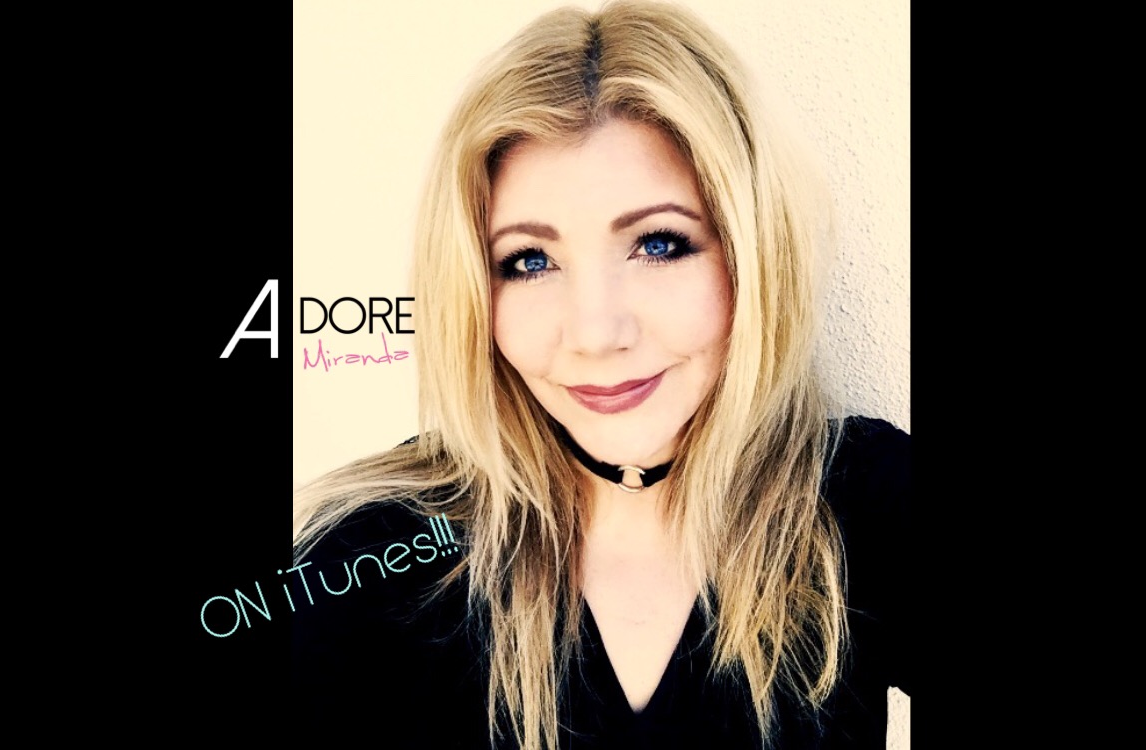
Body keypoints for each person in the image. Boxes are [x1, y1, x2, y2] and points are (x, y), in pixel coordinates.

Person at [291, 2, 910, 748]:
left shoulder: (861, 503)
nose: (594, 334)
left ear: (753, 253)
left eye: (659, 244)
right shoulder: (375, 549)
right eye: (529, 261)